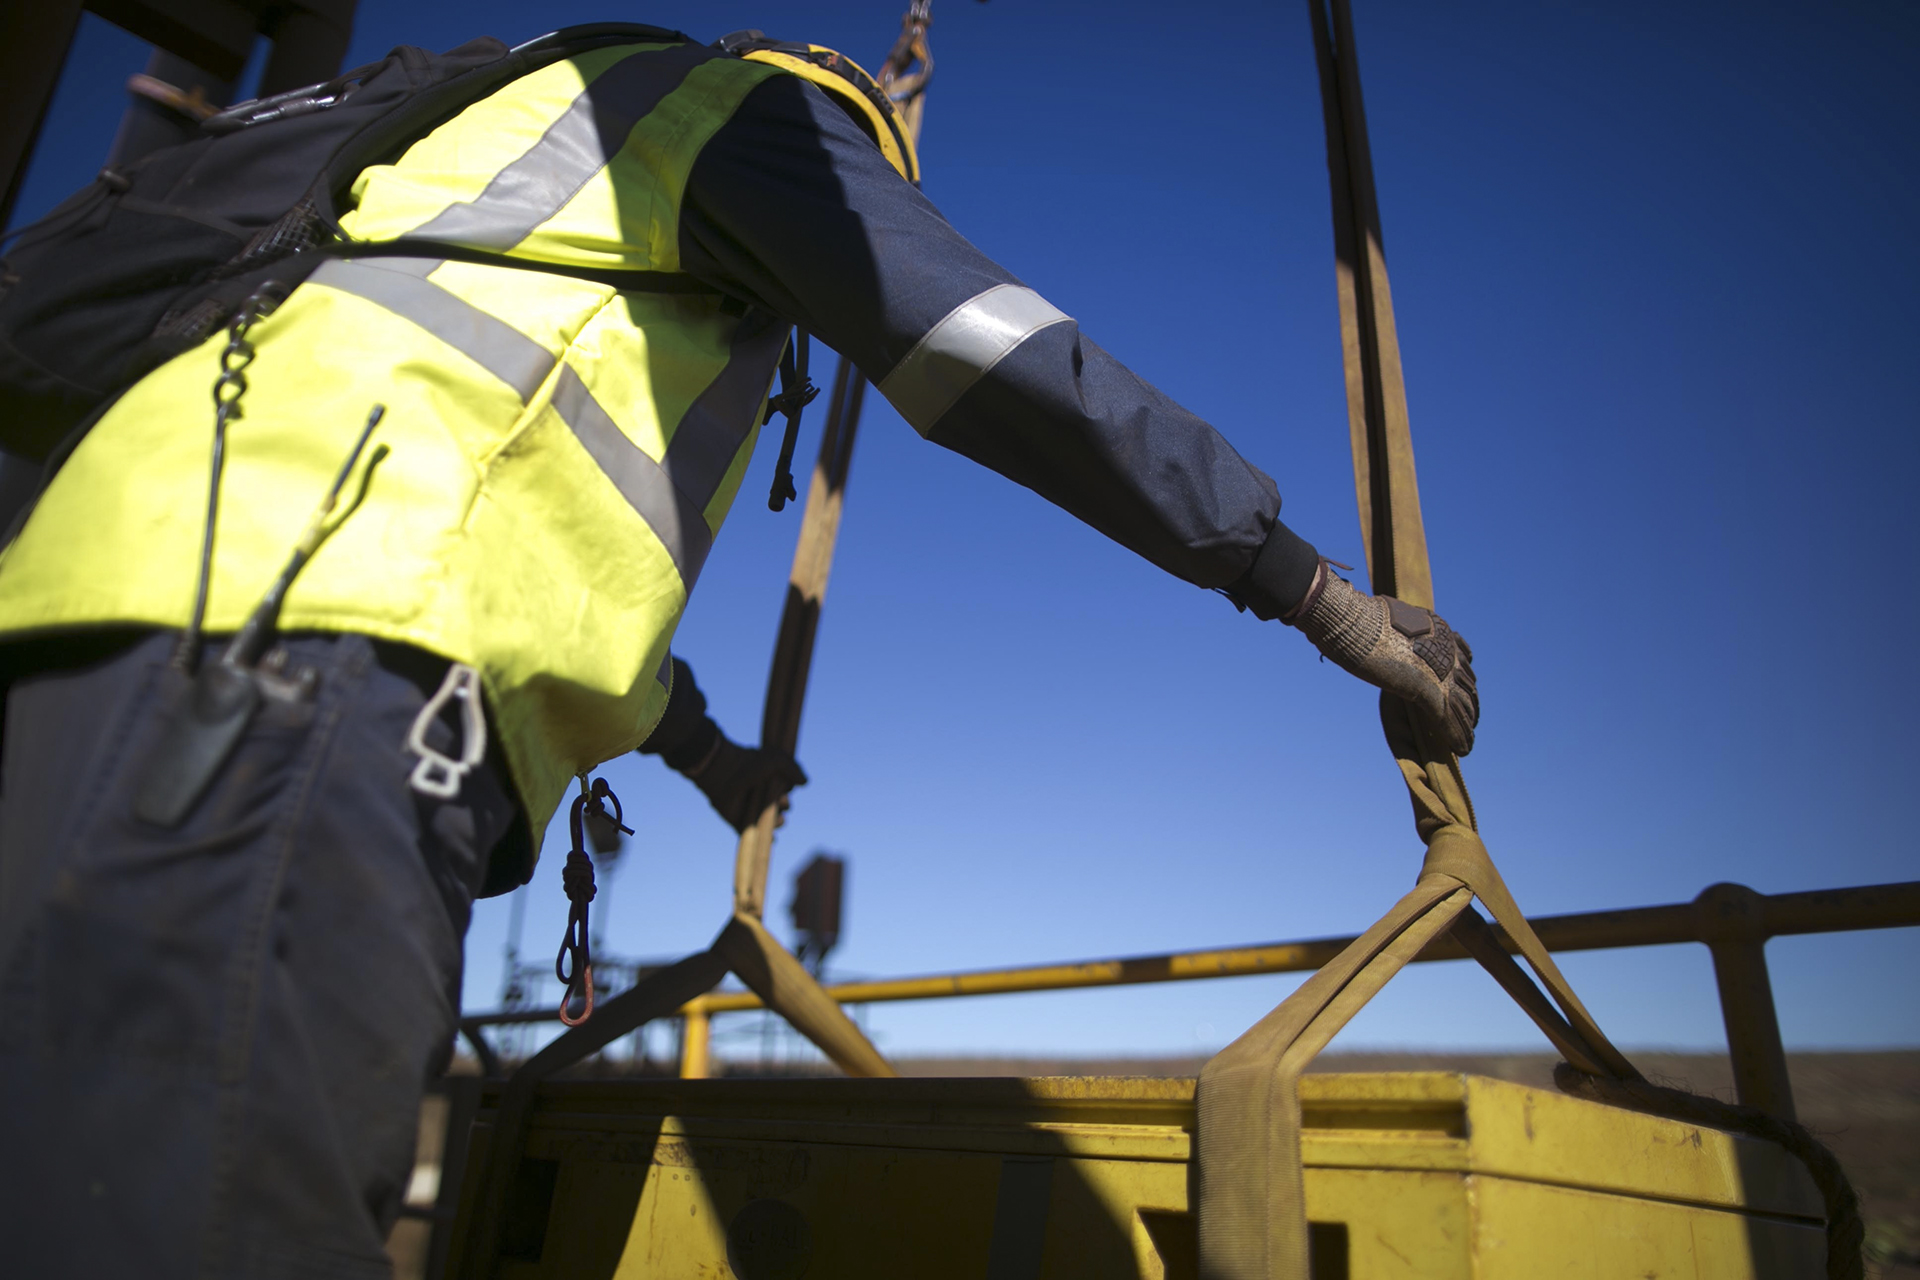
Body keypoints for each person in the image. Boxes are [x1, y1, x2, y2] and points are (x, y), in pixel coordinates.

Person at [0, 25, 1476, 1279]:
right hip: (300, 665)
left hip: (147, 631)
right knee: (216, 1215)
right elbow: (992, 350)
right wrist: (1309, 591)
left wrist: (716, 762)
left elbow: (554, 565)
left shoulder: (516, 222)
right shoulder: (754, 118)